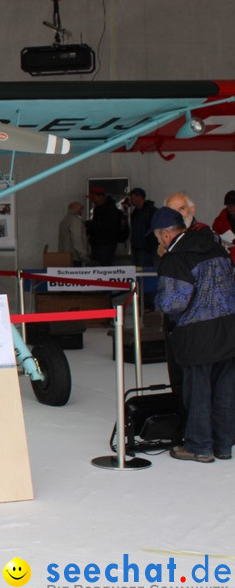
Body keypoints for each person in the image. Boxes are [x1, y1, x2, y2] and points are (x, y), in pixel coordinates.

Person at [151, 206, 235, 462]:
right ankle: (223, 445)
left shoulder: (177, 258)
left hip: (197, 334)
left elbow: (173, 302)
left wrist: (158, 303)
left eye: (157, 237)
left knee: (197, 390)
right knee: (225, 390)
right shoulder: (216, 246)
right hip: (229, 328)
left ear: (166, 234)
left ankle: (199, 446)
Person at [86, 188, 122, 265]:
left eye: (93, 198)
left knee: (102, 267)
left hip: (105, 244)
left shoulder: (109, 209)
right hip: (100, 244)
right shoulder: (100, 208)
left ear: (101, 197)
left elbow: (106, 226)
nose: (93, 200)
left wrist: (89, 224)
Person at [126, 187, 158, 268]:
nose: (130, 199)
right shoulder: (135, 212)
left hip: (146, 249)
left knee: (145, 272)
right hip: (137, 248)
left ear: (139, 197)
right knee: (137, 272)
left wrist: (149, 245)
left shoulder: (151, 211)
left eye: (132, 197)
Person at [57, 201, 89, 266]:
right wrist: (85, 257)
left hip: (64, 257)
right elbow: (77, 241)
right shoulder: (75, 221)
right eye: (81, 208)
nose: (82, 211)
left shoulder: (65, 220)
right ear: (78, 210)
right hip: (74, 258)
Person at [211, 189, 235, 266]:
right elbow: (214, 238)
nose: (232, 208)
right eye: (229, 206)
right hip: (226, 258)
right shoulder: (219, 221)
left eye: (234, 205)